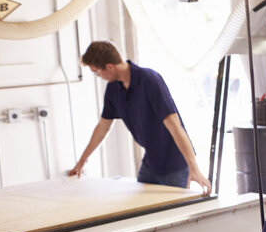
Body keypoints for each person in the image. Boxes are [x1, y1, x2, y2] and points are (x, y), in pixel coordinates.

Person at [68, 40, 211, 194]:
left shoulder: (149, 80)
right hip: (151, 161)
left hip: (174, 163)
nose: (98, 76)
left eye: (97, 72)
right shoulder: (113, 89)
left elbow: (174, 125)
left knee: (175, 212)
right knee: (141, 205)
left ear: (109, 66)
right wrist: (82, 161)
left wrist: (193, 167)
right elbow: (102, 127)